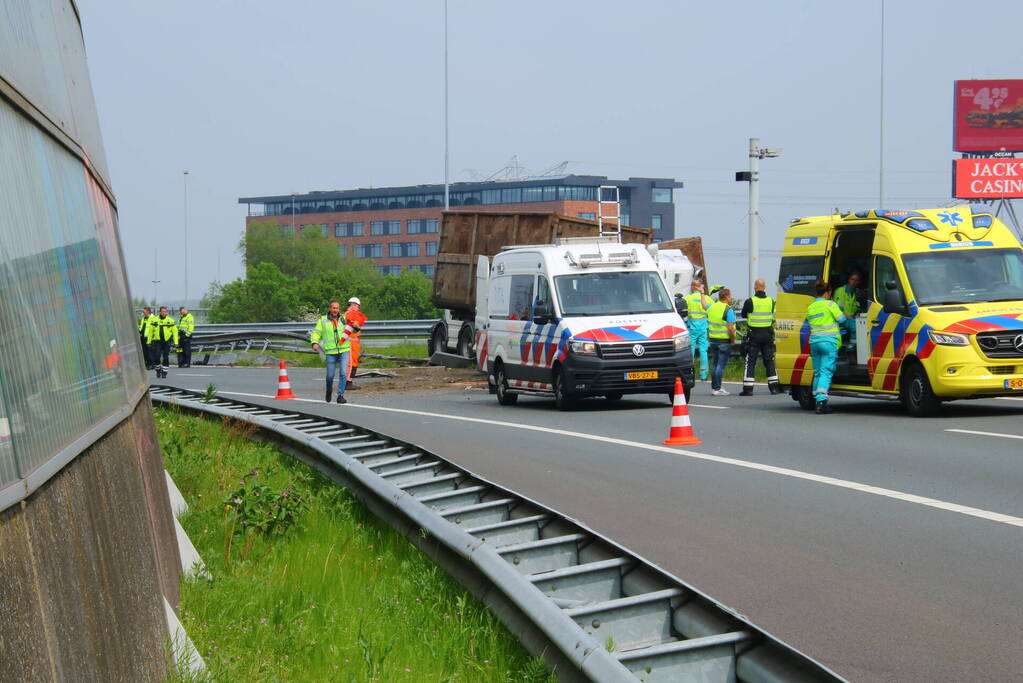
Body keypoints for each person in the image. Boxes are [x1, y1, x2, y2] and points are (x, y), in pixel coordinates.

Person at [805, 280, 847, 414]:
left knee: (817, 372)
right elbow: (842, 319)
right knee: (826, 372)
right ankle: (822, 402)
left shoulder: (810, 307)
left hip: (814, 342)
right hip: (829, 342)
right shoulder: (830, 304)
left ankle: (816, 399)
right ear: (828, 293)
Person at [739, 278, 782, 396]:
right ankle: (774, 388)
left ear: (755, 287)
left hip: (754, 335)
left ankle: (748, 389)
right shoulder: (771, 301)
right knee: (769, 361)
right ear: (765, 287)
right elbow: (773, 315)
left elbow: (743, 314)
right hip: (767, 334)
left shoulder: (750, 301)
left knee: (751, 361)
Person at [312, 300, 352, 404]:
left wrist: (356, 326)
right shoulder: (323, 320)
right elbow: (316, 333)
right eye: (333, 308)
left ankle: (340, 395)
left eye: (337, 308)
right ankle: (329, 391)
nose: (335, 310)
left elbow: (352, 328)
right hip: (330, 352)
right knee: (330, 376)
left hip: (344, 350)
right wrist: (314, 343)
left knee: (343, 373)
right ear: (330, 308)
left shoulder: (343, 318)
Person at [706, 288, 736, 396]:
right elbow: (730, 328)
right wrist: (732, 340)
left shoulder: (711, 307)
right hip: (724, 340)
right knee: (720, 365)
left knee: (715, 364)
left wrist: (703, 293)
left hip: (713, 340)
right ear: (727, 297)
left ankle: (715, 387)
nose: (731, 297)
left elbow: (704, 305)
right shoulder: (728, 310)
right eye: (730, 296)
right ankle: (717, 388)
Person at [683, 279, 711, 381]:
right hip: (703, 327)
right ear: (700, 287)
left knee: (691, 350)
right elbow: (713, 310)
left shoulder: (688, 298)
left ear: (693, 287)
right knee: (703, 350)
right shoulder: (707, 298)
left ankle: (689, 373)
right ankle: (704, 375)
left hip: (692, 328)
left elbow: (683, 312)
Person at [146, 306, 179, 379]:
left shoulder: (170, 320)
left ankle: (164, 372)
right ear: (160, 312)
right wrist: (148, 341)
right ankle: (158, 370)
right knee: (157, 357)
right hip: (158, 341)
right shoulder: (154, 320)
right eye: (163, 311)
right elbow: (150, 332)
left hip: (167, 341)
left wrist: (176, 342)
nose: (164, 313)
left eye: (165, 312)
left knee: (165, 357)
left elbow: (175, 332)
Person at [345, 297, 363, 389]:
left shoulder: (348, 314)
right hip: (350, 343)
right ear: (353, 305)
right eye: (357, 306)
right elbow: (354, 324)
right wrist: (359, 329)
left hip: (353, 343)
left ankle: (348, 382)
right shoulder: (350, 314)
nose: (358, 308)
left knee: (352, 363)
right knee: (351, 363)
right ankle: (348, 383)